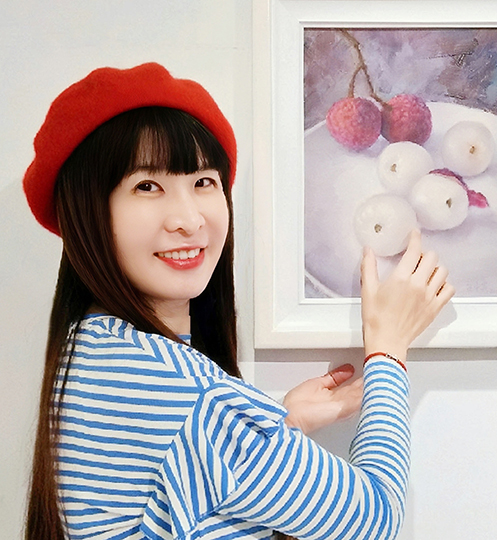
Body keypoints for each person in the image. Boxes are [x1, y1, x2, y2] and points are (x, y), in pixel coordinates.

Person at [22, 62, 454, 540]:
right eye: (147, 186)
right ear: (86, 213)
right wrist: (388, 350)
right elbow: (375, 519)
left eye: (203, 182)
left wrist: (274, 426)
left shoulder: (93, 347)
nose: (189, 219)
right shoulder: (188, 398)